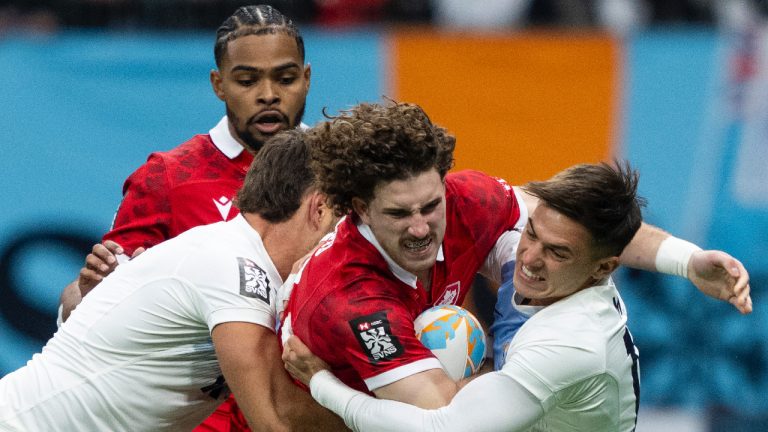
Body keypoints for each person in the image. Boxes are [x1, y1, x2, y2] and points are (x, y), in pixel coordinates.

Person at [279, 100, 751, 410]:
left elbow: (585, 231)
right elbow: (446, 419)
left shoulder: (468, 201)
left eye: (430, 205)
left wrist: (688, 262)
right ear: (360, 208)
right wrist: (527, 380)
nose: (422, 227)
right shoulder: (353, 301)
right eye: (400, 214)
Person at [57, 5, 311, 431]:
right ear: (218, 84)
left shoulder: (345, 169)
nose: (268, 94)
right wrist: (83, 295)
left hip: (312, 409)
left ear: (306, 77)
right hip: (202, 419)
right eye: (247, 80)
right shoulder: (167, 178)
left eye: (284, 78)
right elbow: (90, 302)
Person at [0, 131, 346, 432]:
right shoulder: (235, 265)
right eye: (344, 217)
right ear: (319, 208)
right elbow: (277, 422)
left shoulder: (238, 256)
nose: (345, 236)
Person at [283, 161, 650, 431]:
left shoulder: (571, 342)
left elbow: (440, 427)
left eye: (557, 252)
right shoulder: (564, 278)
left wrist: (322, 383)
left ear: (603, 268)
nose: (531, 258)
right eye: (532, 233)